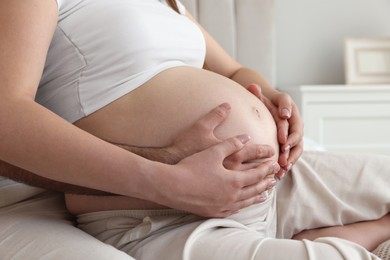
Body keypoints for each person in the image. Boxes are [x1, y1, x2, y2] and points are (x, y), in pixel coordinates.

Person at [0, 0, 389, 259]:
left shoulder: (164, 3)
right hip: (162, 216)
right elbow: (6, 114)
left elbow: (236, 70)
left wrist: (272, 96)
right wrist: (168, 178)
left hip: (276, 180)